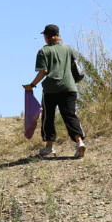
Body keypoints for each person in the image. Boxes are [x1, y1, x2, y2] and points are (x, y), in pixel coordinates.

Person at [23, 24, 86, 159]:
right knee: (70, 115)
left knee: (48, 117)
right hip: (69, 88)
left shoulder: (43, 51)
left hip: (51, 90)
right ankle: (79, 142)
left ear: (46, 36)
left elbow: (43, 71)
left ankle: (49, 147)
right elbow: (75, 68)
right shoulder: (68, 49)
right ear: (58, 35)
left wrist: (32, 85)